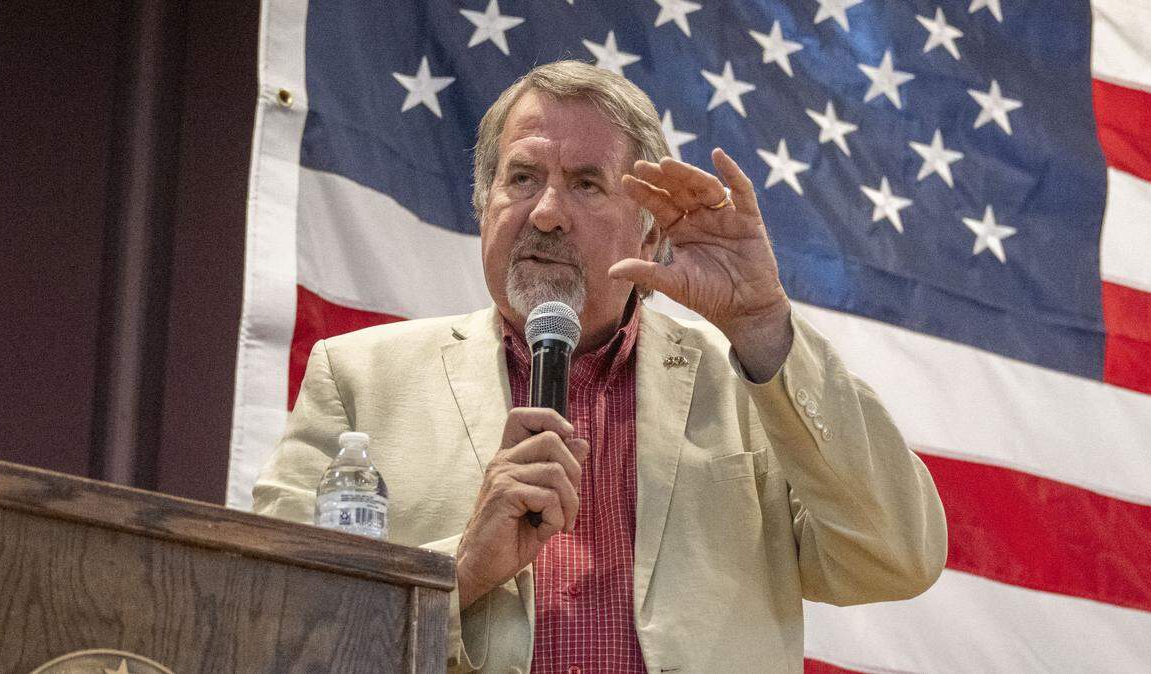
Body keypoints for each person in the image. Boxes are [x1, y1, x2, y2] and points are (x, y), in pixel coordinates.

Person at [253, 60, 946, 673]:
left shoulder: (752, 384)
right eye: (521, 178)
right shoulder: (359, 379)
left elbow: (899, 555)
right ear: (484, 202)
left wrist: (764, 325)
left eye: (586, 184)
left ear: (651, 226)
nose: (546, 213)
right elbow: (273, 629)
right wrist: (460, 571)